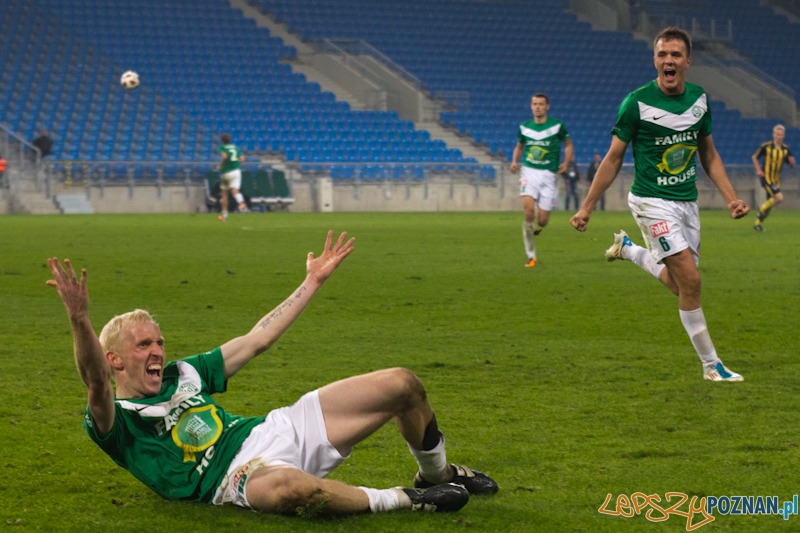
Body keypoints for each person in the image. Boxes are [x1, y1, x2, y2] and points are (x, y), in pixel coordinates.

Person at [46, 231, 498, 517]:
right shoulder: (115, 421)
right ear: (114, 359)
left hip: (272, 430)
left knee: (402, 383)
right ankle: (405, 499)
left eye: (159, 342)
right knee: (289, 490)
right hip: (236, 477)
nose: (158, 351)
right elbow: (94, 382)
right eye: (144, 345)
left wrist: (312, 282)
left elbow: (256, 339)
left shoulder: (183, 374)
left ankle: (435, 475)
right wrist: (79, 319)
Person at [569, 27, 750, 382]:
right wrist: (586, 206)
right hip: (650, 202)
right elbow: (613, 158)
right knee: (692, 281)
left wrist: (731, 198)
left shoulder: (699, 100)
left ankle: (630, 251)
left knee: (682, 286)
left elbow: (709, 155)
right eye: (663, 54)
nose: (669, 60)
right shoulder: (635, 103)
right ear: (654, 60)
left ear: (687, 61)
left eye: (676, 55)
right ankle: (711, 366)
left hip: (687, 204)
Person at [510, 93, 574, 268]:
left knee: (542, 221)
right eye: (534, 104)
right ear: (531, 106)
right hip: (529, 172)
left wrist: (566, 163)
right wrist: (514, 161)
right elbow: (519, 146)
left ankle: (539, 212)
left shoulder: (557, 126)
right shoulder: (524, 127)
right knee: (528, 212)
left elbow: (568, 144)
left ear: (547, 106)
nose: (537, 107)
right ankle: (531, 256)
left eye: (540, 104)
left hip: (549, 176)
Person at [751, 124, 795, 231]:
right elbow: (754, 157)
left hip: (776, 181)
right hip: (767, 178)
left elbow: (790, 164)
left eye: (781, 135)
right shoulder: (766, 146)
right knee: (779, 198)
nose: (779, 137)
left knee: (770, 206)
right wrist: (759, 170)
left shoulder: (785, 149)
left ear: (784, 135)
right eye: (777, 134)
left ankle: (757, 225)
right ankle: (761, 209)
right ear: (773, 134)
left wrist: (792, 163)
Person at [217, 133, 247, 221]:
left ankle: (224, 216)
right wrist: (234, 162)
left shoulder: (222, 147)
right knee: (235, 192)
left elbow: (224, 157)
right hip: (237, 172)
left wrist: (220, 165)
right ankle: (242, 204)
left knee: (224, 194)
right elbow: (242, 159)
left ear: (222, 140)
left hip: (227, 172)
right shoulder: (235, 147)